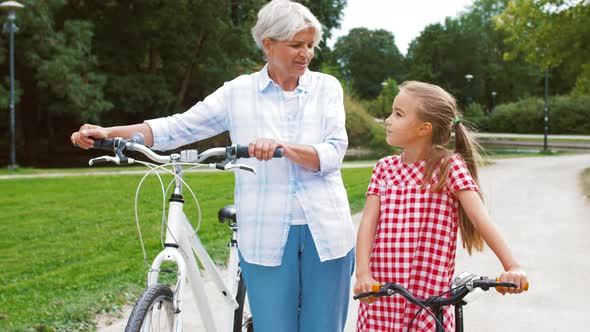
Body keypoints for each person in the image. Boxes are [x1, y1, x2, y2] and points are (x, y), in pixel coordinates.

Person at [71, 1, 354, 331]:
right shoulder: (238, 92)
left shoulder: (326, 88)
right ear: (268, 44)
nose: (305, 54)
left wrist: (284, 148)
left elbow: (333, 153)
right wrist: (109, 132)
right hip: (265, 233)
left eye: (310, 45)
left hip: (327, 232)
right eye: (296, 45)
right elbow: (179, 127)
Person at [353, 81, 528, 331]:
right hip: (382, 295)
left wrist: (512, 267)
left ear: (424, 128)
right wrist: (363, 274)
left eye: (398, 114)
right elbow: (368, 222)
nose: (388, 120)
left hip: (428, 300)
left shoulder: (449, 167)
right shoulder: (384, 168)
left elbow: (480, 219)